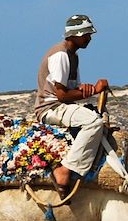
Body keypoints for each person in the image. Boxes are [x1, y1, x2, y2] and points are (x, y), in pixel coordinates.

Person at [34, 14, 110, 191]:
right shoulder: (61, 55)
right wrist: (95, 90)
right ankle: (64, 170)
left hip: (62, 105)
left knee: (100, 116)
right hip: (51, 108)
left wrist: (90, 89)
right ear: (75, 34)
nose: (89, 38)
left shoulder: (73, 56)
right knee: (94, 121)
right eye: (86, 35)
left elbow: (73, 90)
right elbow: (62, 95)